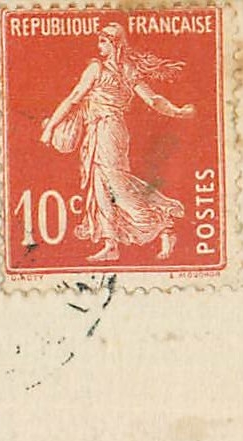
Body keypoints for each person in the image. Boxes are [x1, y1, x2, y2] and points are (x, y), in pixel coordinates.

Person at [40, 23, 195, 262]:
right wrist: (177, 111)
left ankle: (164, 223)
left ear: (115, 44)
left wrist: (50, 127)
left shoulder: (97, 68)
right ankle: (111, 244)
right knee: (101, 185)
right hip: (104, 130)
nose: (98, 46)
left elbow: (74, 98)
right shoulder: (128, 69)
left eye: (103, 41)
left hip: (107, 130)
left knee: (116, 186)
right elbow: (153, 100)